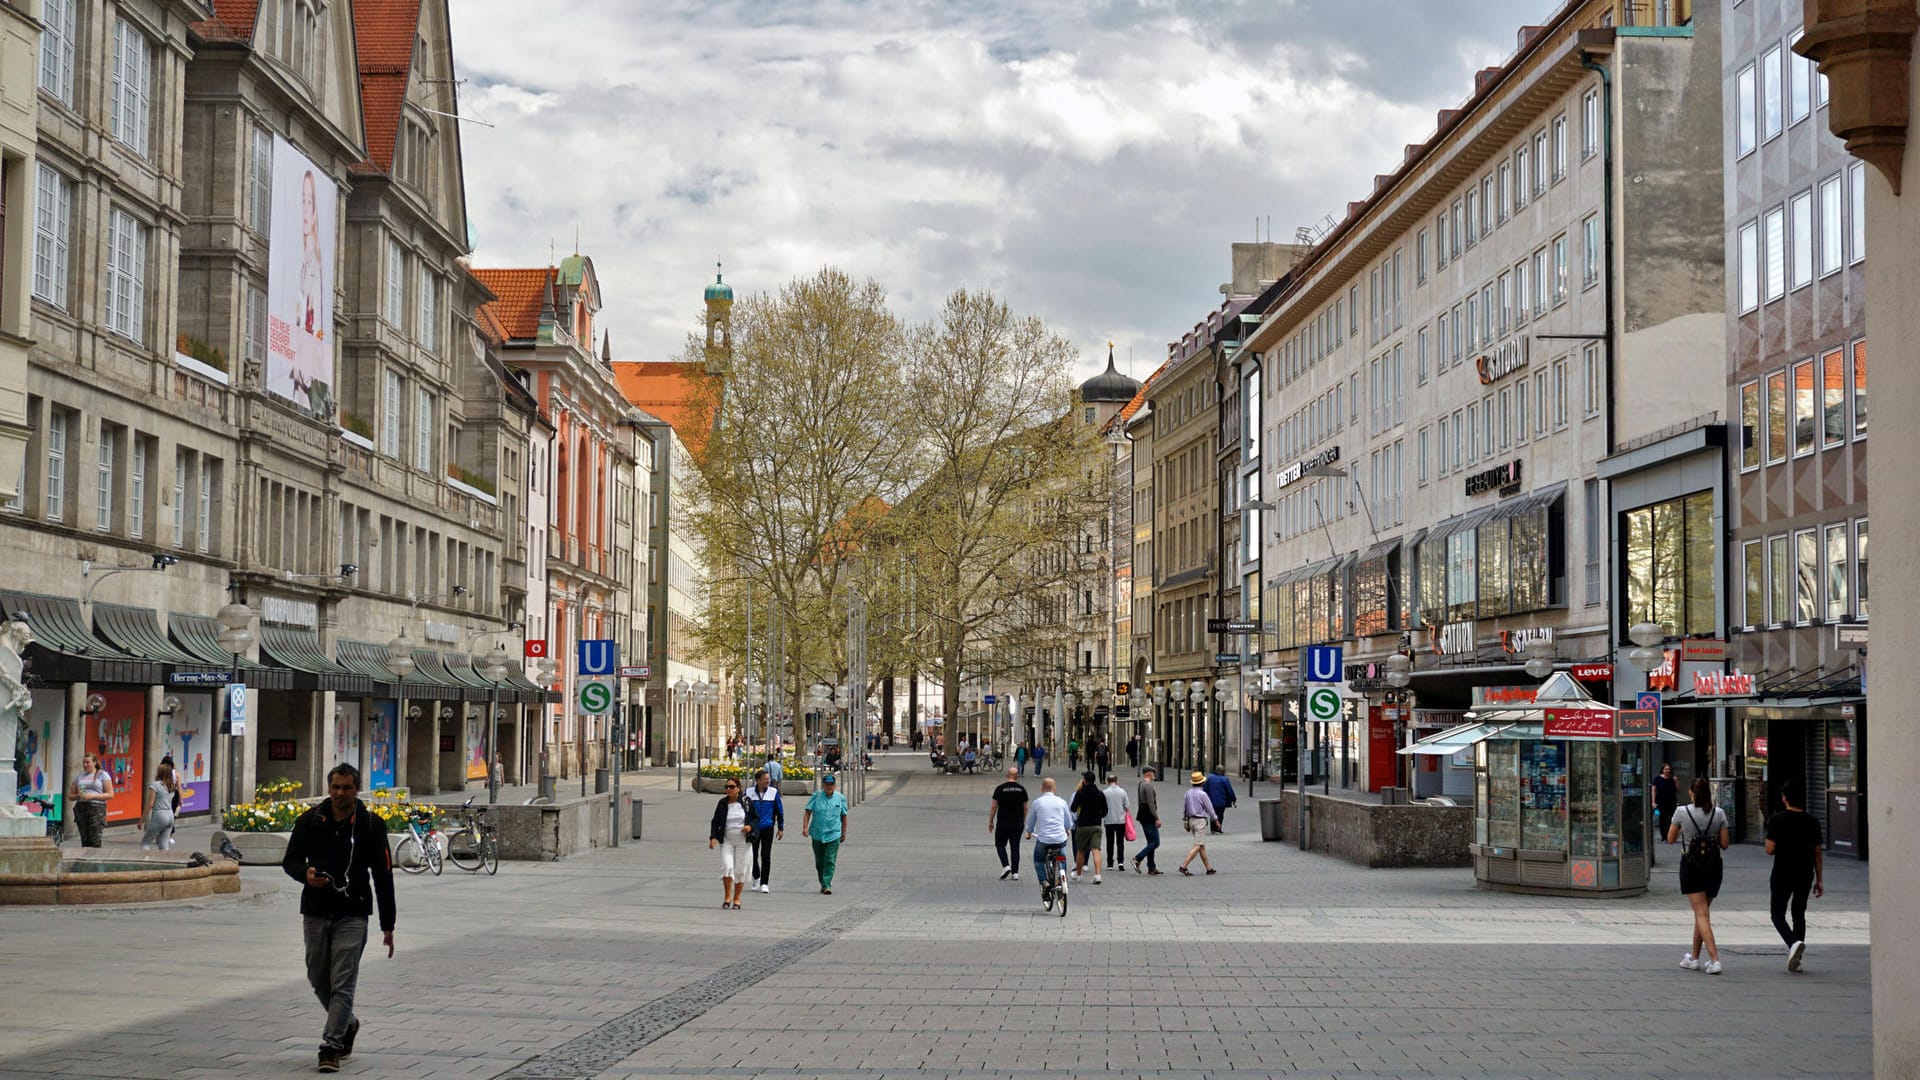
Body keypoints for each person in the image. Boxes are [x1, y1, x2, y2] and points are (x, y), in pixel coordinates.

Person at [281, 764, 396, 1073]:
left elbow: (383, 876)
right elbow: (289, 860)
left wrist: (388, 925)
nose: (340, 793)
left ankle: (331, 1046)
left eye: (346, 788)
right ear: (329, 788)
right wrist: (304, 874)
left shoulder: (371, 824)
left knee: (343, 982)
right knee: (317, 976)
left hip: (353, 912)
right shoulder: (310, 820)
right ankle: (348, 1022)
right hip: (316, 909)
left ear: (356, 789)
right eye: (335, 787)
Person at [1668, 776, 1730, 975]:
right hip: (1713, 866)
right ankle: (1694, 958)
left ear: (1692, 793)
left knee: (1701, 914)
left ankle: (1714, 959)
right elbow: (1725, 844)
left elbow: (1670, 838)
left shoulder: (1681, 812)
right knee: (1702, 913)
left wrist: (1686, 831)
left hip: (1691, 865)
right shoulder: (1719, 813)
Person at [1765, 778, 1825, 972]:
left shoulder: (1777, 820)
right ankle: (1797, 956)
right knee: (1799, 913)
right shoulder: (1812, 822)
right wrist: (1820, 879)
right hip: (1804, 873)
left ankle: (1793, 944)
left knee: (1777, 914)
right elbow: (1817, 852)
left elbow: (1769, 849)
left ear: (1785, 799)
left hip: (1782, 872)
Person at [1023, 777, 1073, 902]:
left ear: (1042, 789)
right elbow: (1068, 821)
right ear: (1054, 789)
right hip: (1060, 839)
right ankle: (1061, 880)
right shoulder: (1061, 802)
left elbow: (1030, 821)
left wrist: (1028, 832)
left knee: (1039, 860)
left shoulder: (1037, 803)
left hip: (1044, 840)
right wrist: (1067, 830)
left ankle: (1044, 882)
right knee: (1062, 857)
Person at [708, 778, 754, 909]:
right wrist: (713, 837)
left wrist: (749, 826)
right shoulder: (722, 803)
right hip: (727, 840)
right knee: (727, 866)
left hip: (743, 841)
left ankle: (737, 898)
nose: (728, 789)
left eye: (731, 787)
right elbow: (715, 821)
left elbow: (756, 818)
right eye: (726, 787)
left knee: (740, 869)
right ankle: (727, 896)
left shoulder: (746, 802)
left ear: (738, 788)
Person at [802, 773, 849, 894]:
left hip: (834, 834)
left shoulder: (840, 798)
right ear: (823, 785)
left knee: (830, 859)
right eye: (827, 784)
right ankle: (822, 882)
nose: (829, 787)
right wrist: (805, 828)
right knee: (819, 861)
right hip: (817, 833)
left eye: (831, 784)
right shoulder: (816, 796)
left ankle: (827, 884)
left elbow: (844, 816)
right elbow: (808, 812)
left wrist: (844, 832)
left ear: (835, 785)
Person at [742, 769, 785, 893]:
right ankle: (756, 876)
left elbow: (779, 810)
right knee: (752, 855)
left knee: (766, 855)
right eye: (765, 779)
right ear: (758, 780)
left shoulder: (773, 792)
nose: (768, 781)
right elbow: (743, 809)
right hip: (753, 828)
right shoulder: (749, 793)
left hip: (767, 827)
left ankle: (764, 883)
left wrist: (780, 827)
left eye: (768, 779)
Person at [988, 768, 1029, 881]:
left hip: (1003, 822)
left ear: (1007, 775)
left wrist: (991, 821)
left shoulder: (1000, 789)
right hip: (1017, 822)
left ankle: (1006, 865)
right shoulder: (1022, 789)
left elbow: (994, 806)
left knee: (1000, 844)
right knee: (1015, 846)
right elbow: (1025, 807)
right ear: (1017, 776)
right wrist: (1023, 820)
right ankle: (1015, 873)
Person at [1068, 771, 1107, 883]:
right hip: (1096, 825)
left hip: (1083, 825)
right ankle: (1098, 875)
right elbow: (1105, 810)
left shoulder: (1080, 794)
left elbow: (1073, 808)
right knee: (1096, 850)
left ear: (1084, 781)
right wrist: (1098, 816)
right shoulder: (1100, 793)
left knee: (1080, 850)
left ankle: (1079, 875)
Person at [69, 753, 114, 848]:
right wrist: (78, 796)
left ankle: (94, 859)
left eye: (87, 762)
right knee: (84, 839)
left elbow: (110, 794)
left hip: (96, 808)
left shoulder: (102, 775)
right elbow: (71, 796)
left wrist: (92, 796)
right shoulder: (79, 776)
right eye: (83, 762)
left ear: (94, 762)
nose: (85, 765)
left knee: (95, 839)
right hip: (82, 807)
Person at [1179, 771, 1218, 876]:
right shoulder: (1203, 794)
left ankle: (1209, 868)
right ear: (1202, 783)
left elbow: (1185, 808)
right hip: (1200, 821)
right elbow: (1210, 808)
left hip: (1191, 820)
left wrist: (1185, 820)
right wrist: (1215, 820)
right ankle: (1184, 866)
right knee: (1198, 845)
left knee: (1201, 846)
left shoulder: (1188, 793)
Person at [140, 762, 178, 851]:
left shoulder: (155, 785)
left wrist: (142, 820)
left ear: (160, 773)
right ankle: (166, 861)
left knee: (145, 842)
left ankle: (145, 861)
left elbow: (150, 804)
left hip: (159, 814)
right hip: (170, 815)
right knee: (163, 843)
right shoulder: (171, 786)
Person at [1133, 767, 1163, 874]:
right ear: (1149, 774)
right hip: (1149, 816)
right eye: (1153, 773)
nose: (1154, 775)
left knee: (1151, 842)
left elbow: (1139, 801)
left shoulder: (1141, 783)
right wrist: (1157, 818)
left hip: (1143, 814)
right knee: (1155, 842)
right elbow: (1151, 803)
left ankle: (1151, 867)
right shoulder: (1148, 785)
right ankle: (1137, 858)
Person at [1100, 774, 1130, 872]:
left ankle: (1110, 863)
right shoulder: (1122, 792)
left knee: (1110, 842)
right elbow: (1127, 806)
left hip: (1109, 820)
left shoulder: (1104, 793)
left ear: (1108, 781)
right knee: (1120, 842)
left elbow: (1102, 807)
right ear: (1116, 781)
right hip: (1120, 820)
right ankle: (1120, 862)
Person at [1651, 763, 1678, 865]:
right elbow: (1653, 790)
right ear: (1662, 770)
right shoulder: (1657, 779)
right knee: (1663, 818)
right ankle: (1664, 836)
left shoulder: (1672, 779)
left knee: (1671, 818)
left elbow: (1677, 790)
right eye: (1666, 769)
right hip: (1661, 801)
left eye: (1669, 769)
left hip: (1671, 801)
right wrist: (1653, 802)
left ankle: (1669, 835)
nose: (1668, 771)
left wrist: (1676, 781)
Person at [1204, 766, 1237, 834]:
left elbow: (1205, 789)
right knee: (1220, 814)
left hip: (1211, 801)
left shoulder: (1210, 778)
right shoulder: (1224, 779)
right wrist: (1233, 799)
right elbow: (1229, 790)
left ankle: (1213, 829)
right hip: (1221, 801)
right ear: (1222, 772)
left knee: (1212, 814)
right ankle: (1218, 829)